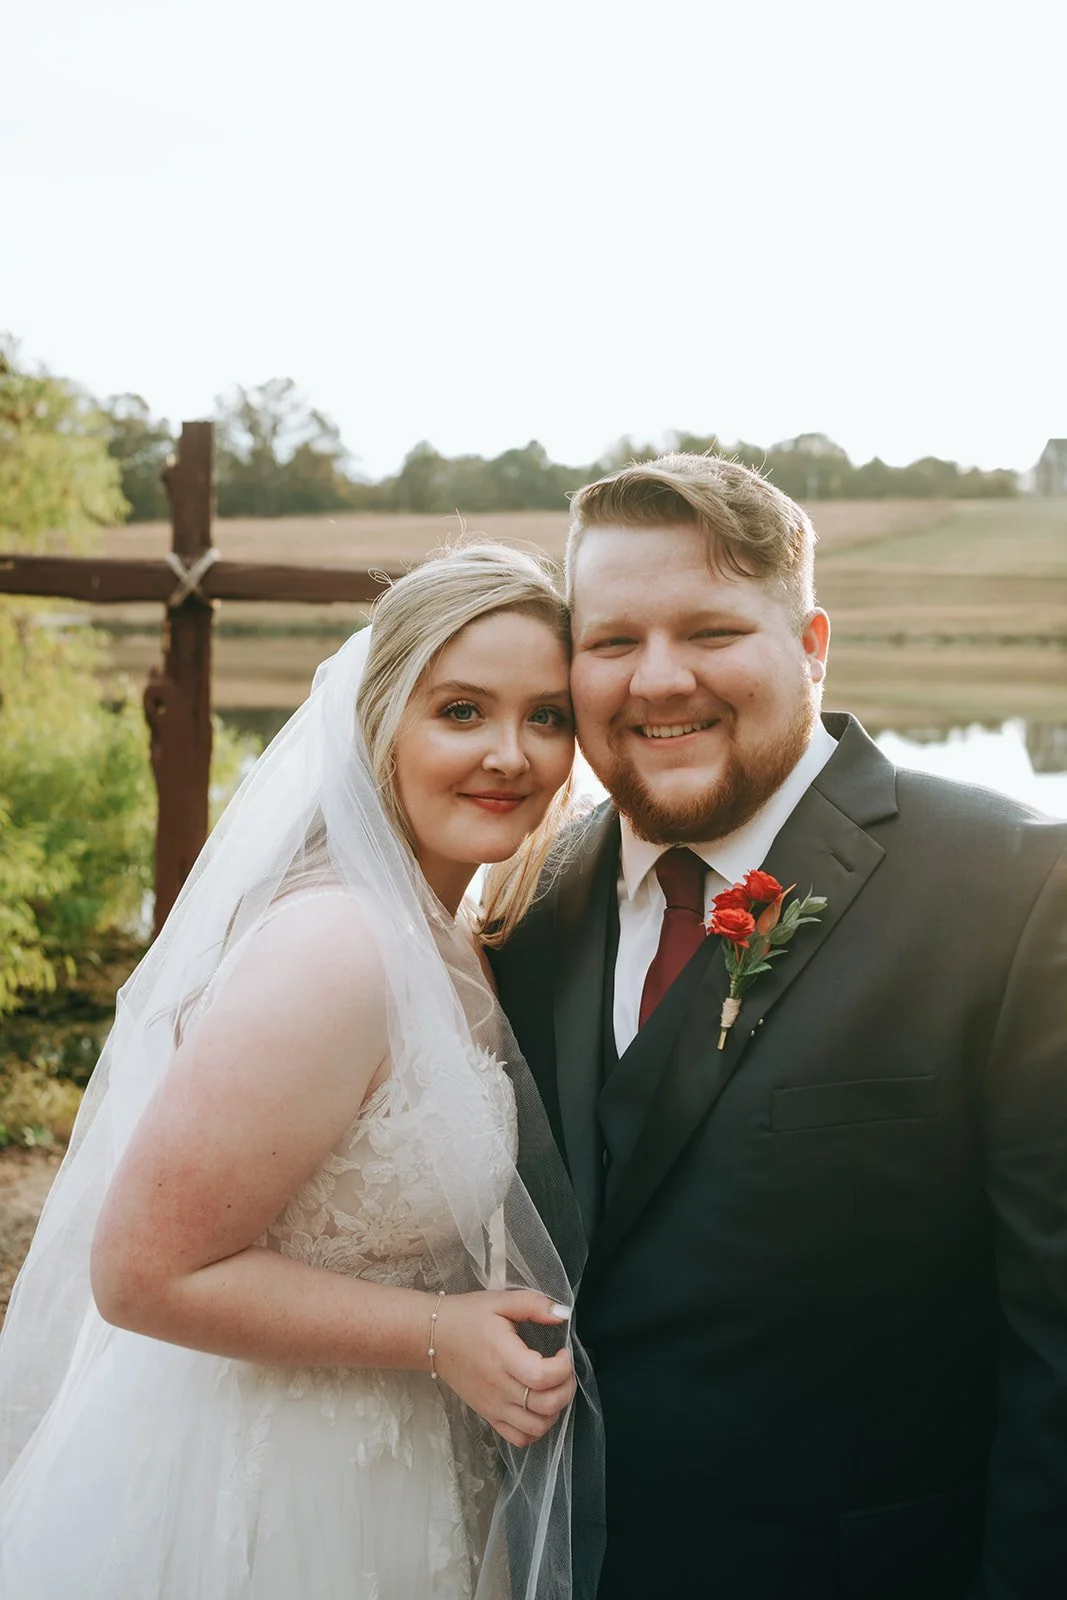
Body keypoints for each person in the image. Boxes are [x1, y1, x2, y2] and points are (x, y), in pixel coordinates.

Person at [491, 455, 1067, 1599]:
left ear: (809, 644)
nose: (656, 680)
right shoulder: (527, 900)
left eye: (709, 630)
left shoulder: (1012, 890)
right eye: (610, 642)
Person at [0, 544, 604, 1600]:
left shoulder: (450, 934)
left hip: (408, 1468)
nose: (510, 753)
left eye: (546, 716)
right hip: (278, 1490)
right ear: (381, 726)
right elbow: (141, 1272)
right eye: (460, 710)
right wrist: (436, 1333)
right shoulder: (336, 946)